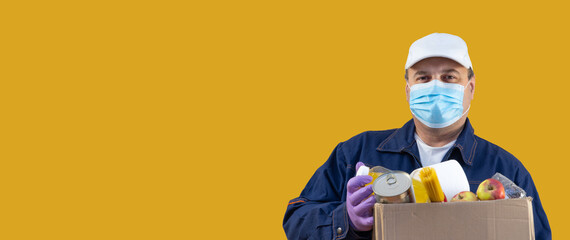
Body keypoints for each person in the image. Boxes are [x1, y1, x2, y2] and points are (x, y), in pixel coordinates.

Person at [283, 33, 551, 240]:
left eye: (449, 77)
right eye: (423, 78)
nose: (436, 85)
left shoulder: (506, 169)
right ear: (408, 90)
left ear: (470, 87)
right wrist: (345, 220)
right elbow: (295, 220)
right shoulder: (355, 152)